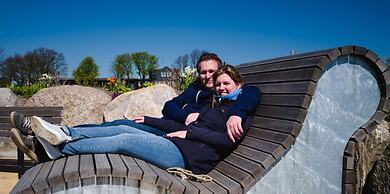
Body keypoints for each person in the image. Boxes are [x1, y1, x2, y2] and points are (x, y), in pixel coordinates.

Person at [15, 65, 260, 174]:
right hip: (176, 143)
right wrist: (151, 120)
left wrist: (191, 133)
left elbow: (226, 142)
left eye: (226, 83)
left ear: (238, 85)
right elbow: (177, 119)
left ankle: (61, 148)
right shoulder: (212, 103)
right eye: (219, 84)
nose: (221, 87)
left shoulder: (241, 109)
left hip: (189, 158)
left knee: (125, 139)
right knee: (119, 130)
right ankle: (62, 132)